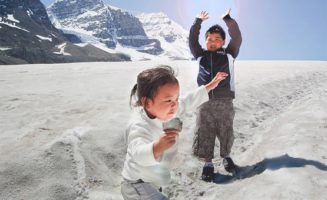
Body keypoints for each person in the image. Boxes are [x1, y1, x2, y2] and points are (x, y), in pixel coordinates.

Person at [121, 65, 228, 199]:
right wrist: (156, 147)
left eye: (176, 99)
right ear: (147, 102)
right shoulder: (139, 125)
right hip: (137, 184)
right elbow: (137, 152)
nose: (174, 104)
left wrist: (210, 86)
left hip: (152, 181)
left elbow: (188, 100)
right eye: (168, 100)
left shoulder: (166, 109)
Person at [189, 9, 242, 182]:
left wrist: (228, 20)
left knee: (225, 130)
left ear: (223, 42)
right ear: (206, 41)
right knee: (205, 131)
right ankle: (208, 164)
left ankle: (226, 157)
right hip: (204, 101)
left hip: (225, 100)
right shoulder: (200, 55)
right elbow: (192, 40)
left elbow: (237, 38)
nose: (213, 42)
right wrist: (197, 23)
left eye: (217, 39)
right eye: (209, 39)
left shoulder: (229, 53)